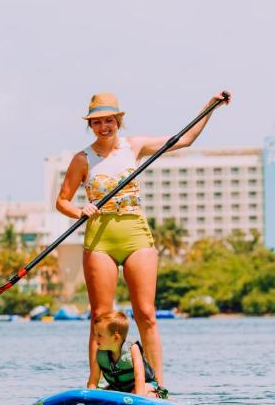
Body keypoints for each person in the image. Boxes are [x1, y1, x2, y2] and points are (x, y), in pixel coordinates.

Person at [56, 91, 230, 389]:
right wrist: (79, 210)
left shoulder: (134, 146)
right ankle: (94, 384)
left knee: (146, 314)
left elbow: (184, 140)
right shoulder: (82, 159)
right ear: (91, 125)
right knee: (100, 316)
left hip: (136, 234)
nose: (104, 127)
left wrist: (210, 107)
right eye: (97, 122)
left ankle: (157, 385)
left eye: (109, 120)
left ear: (118, 121)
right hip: (100, 239)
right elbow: (62, 201)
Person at [89, 310, 166, 398]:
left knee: (137, 393)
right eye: (95, 334)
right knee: (104, 394)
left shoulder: (132, 349)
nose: (95, 338)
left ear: (116, 338)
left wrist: (138, 398)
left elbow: (139, 376)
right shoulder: (100, 354)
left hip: (144, 385)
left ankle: (160, 396)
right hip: (118, 389)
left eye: (99, 335)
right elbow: (93, 381)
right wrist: (91, 397)